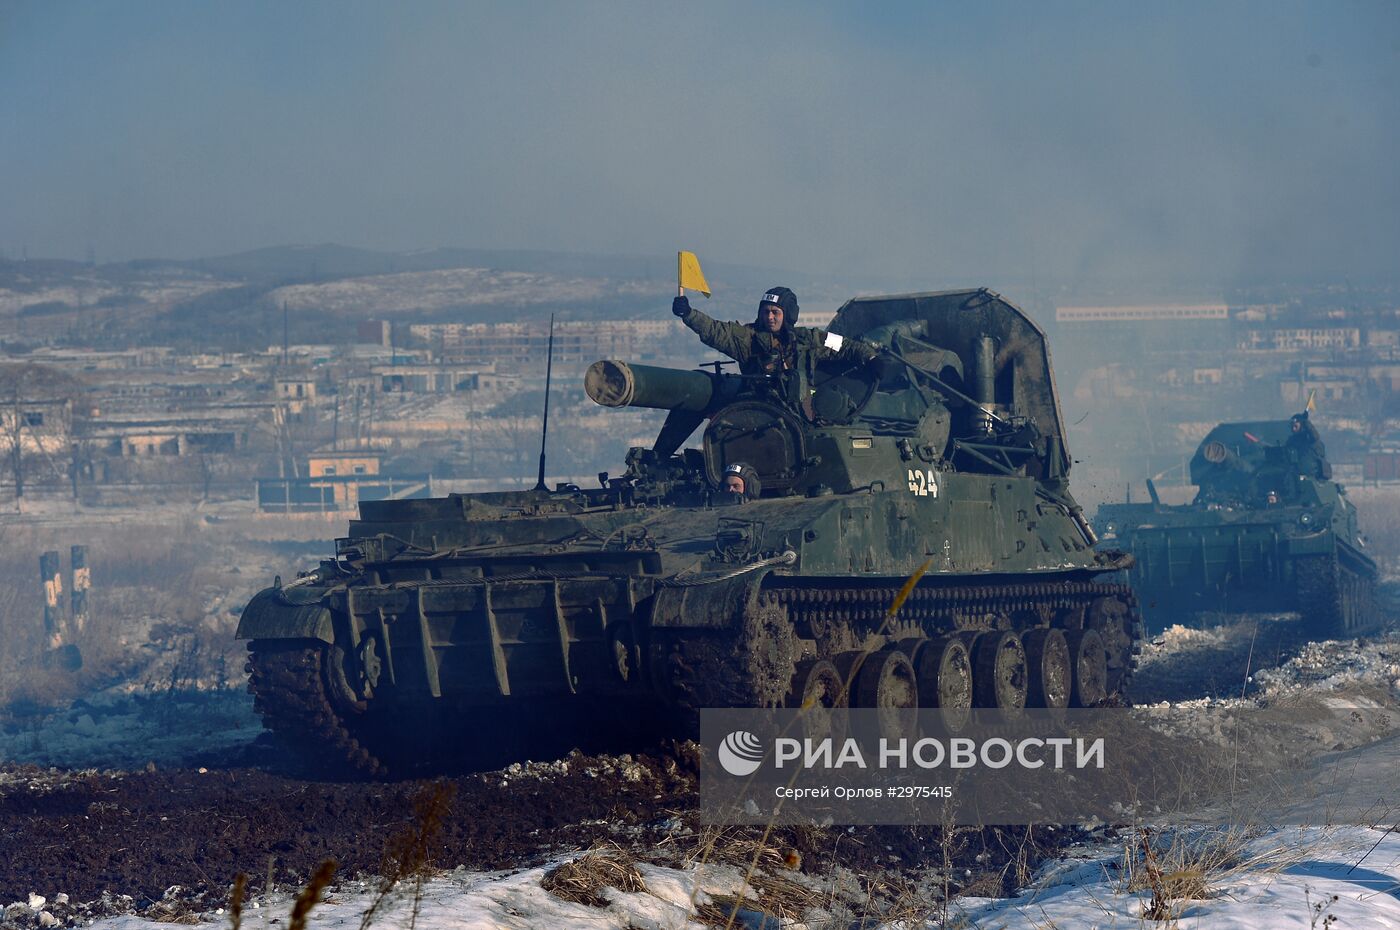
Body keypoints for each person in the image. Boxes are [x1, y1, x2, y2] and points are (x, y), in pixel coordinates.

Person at [1285, 411, 1331, 480]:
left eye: (1296, 426)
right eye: (1292, 426)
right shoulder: (1293, 440)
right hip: (1298, 474)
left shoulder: (1309, 438)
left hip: (1313, 475)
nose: (1293, 429)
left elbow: (1315, 436)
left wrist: (1306, 422)